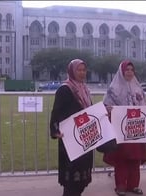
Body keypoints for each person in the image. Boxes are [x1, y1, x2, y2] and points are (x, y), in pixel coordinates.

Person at [103, 60, 146, 196]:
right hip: (120, 129)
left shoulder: (137, 87)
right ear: (121, 71)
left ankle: (133, 185)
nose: (129, 72)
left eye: (131, 70)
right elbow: (105, 106)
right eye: (127, 70)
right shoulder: (113, 89)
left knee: (135, 158)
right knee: (121, 158)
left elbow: (143, 105)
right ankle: (121, 186)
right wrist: (108, 109)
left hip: (136, 128)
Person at [50, 59, 93, 196]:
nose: (81, 73)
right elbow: (56, 112)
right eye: (78, 70)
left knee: (81, 178)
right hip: (69, 138)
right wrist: (55, 130)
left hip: (84, 136)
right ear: (71, 71)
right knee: (71, 181)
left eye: (83, 70)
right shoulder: (65, 89)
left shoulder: (84, 89)